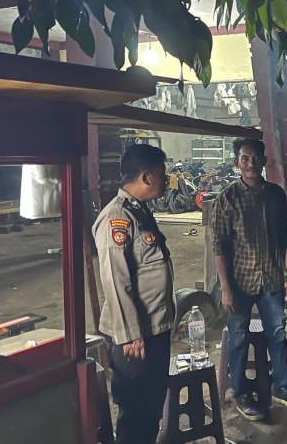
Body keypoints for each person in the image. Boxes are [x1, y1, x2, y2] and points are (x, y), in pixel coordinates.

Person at [211, 138, 287, 421]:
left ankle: (282, 386)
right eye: (245, 158)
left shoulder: (275, 195)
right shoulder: (227, 198)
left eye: (255, 158)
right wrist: (225, 289)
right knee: (238, 337)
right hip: (239, 283)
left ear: (264, 162)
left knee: (277, 333)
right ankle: (240, 393)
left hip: (271, 279)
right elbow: (219, 246)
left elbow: (285, 238)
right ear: (236, 162)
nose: (250, 164)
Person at [92, 144, 175, 444]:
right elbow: (116, 280)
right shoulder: (117, 218)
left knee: (151, 408)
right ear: (146, 177)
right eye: (162, 175)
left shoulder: (139, 211)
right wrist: (130, 335)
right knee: (135, 412)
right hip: (135, 338)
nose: (166, 181)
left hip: (154, 328)